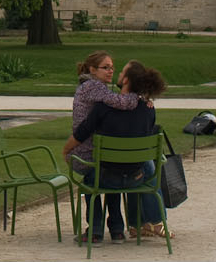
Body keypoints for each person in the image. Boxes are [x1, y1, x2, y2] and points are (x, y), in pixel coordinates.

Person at [64, 60, 168, 240]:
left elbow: (81, 133)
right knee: (124, 166)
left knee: (92, 178)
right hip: (137, 179)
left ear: (126, 80)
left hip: (106, 178)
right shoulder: (148, 109)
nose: (116, 73)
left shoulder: (103, 107)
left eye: (121, 73)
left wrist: (65, 151)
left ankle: (96, 231)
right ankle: (120, 228)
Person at [65, 51, 141, 243]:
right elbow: (122, 102)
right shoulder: (92, 87)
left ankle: (98, 231)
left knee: (104, 175)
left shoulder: (99, 89)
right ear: (92, 70)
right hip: (86, 154)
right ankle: (114, 230)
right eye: (105, 67)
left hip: (99, 154)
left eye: (112, 67)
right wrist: (140, 97)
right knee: (104, 173)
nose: (110, 71)